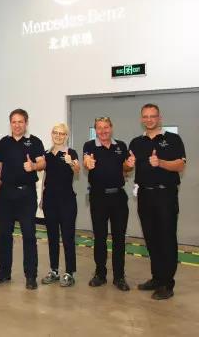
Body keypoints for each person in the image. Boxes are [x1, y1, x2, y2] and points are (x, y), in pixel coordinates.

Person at [129, 104, 186, 300]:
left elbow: (181, 164)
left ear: (159, 118)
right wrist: (127, 165)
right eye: (145, 116)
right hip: (144, 195)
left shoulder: (173, 139)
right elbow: (128, 168)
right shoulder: (136, 142)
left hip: (165, 195)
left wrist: (160, 162)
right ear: (141, 119)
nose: (149, 119)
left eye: (152, 116)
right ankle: (157, 278)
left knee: (166, 239)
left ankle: (167, 284)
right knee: (151, 238)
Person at [0, 109, 45, 290]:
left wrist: (33, 166)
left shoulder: (35, 141)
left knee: (29, 235)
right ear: (10, 123)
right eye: (14, 122)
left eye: (20, 121)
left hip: (26, 195)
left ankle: (31, 275)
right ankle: (4, 272)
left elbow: (42, 163)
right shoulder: (4, 142)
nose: (17, 125)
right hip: (6, 195)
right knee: (4, 235)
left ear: (26, 123)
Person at [83, 116, 133, 291]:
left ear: (111, 128)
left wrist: (129, 165)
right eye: (99, 128)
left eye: (106, 127)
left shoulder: (121, 146)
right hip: (98, 197)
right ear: (95, 130)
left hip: (118, 197)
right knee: (100, 237)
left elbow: (126, 168)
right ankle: (100, 274)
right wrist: (88, 163)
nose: (103, 131)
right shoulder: (90, 145)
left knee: (119, 238)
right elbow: (86, 161)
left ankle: (119, 276)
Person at [40, 123, 80, 287]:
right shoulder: (46, 154)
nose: (58, 136)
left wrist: (71, 163)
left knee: (68, 237)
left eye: (62, 133)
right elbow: (45, 176)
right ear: (52, 134)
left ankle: (69, 272)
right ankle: (54, 270)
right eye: (56, 133)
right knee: (52, 237)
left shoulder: (71, 153)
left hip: (67, 201)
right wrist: (42, 197)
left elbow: (77, 170)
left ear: (66, 136)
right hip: (49, 200)